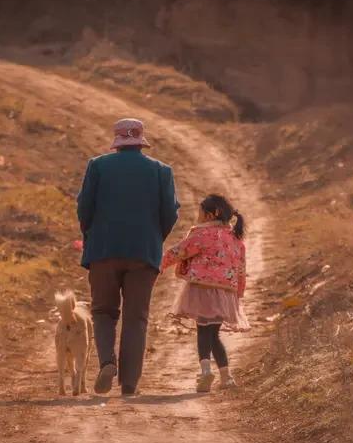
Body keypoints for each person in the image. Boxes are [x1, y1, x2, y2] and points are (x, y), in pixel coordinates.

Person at [77, 118, 180, 395]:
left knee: (103, 312)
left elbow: (84, 208)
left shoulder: (98, 166)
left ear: (118, 141)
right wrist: (154, 238)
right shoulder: (162, 171)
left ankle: (107, 363)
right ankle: (130, 383)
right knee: (136, 317)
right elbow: (170, 213)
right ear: (140, 141)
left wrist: (91, 237)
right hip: (143, 252)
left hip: (102, 250)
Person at [161, 194, 250, 393]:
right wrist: (239, 293)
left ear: (212, 214)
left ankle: (205, 371)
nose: (198, 216)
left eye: (200, 212)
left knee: (203, 332)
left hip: (202, 290)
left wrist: (158, 265)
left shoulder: (202, 235)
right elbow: (241, 269)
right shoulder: (236, 239)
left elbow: (178, 252)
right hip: (226, 294)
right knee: (214, 334)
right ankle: (226, 376)